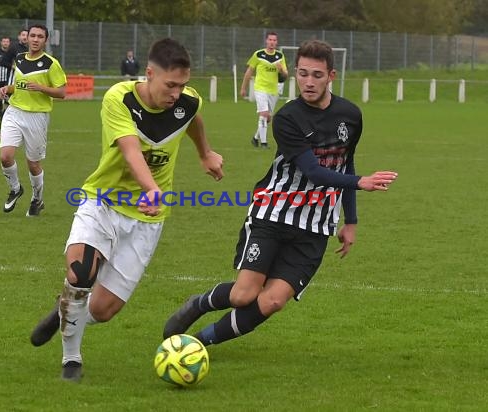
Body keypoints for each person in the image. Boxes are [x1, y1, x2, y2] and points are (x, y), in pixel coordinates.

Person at [163, 40, 398, 350]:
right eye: (302, 74)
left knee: (273, 301)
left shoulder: (350, 115)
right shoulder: (288, 118)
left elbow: (345, 162)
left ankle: (198, 343)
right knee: (243, 294)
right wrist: (361, 182)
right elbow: (313, 171)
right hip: (274, 213)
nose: (308, 82)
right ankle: (198, 304)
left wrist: (350, 220)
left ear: (331, 76)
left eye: (316, 75)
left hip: (316, 226)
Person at [29, 37, 224, 382]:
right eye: (170, 85)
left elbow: (193, 120)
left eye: (182, 85)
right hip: (103, 201)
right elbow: (131, 150)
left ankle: (67, 311)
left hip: (147, 221)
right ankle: (71, 359)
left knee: (103, 310)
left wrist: (205, 153)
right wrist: (152, 190)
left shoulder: (188, 101)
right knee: (80, 270)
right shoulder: (119, 98)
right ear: (149, 74)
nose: (177, 93)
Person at [0, 24, 66, 216]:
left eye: (40, 37)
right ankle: (15, 188)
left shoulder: (51, 63)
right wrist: (7, 89)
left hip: (37, 117)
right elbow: (19, 85)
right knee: (5, 156)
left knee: (33, 164)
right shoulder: (19, 59)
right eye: (32, 36)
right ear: (26, 38)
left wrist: (41, 88)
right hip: (14, 111)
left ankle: (37, 198)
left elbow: (62, 92)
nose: (35, 39)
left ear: (45, 40)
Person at [240, 31, 288, 149]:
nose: (272, 42)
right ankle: (264, 143)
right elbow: (249, 71)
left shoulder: (280, 56)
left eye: (274, 40)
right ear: (266, 41)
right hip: (260, 88)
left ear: (276, 42)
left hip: (273, 90)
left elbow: (285, 75)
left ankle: (256, 138)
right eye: (270, 40)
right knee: (264, 114)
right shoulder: (258, 54)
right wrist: (243, 88)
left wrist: (281, 70)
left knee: (268, 118)